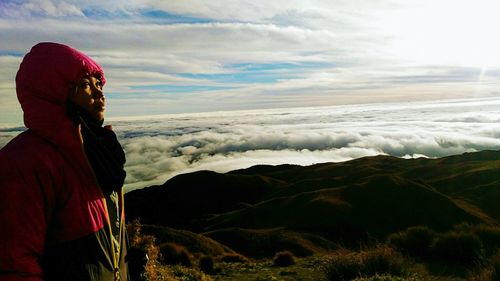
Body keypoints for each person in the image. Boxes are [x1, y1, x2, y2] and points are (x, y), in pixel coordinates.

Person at [0, 42, 129, 281]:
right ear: (52, 94)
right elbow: (13, 265)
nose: (99, 92)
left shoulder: (99, 153)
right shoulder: (24, 163)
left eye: (98, 83)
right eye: (84, 85)